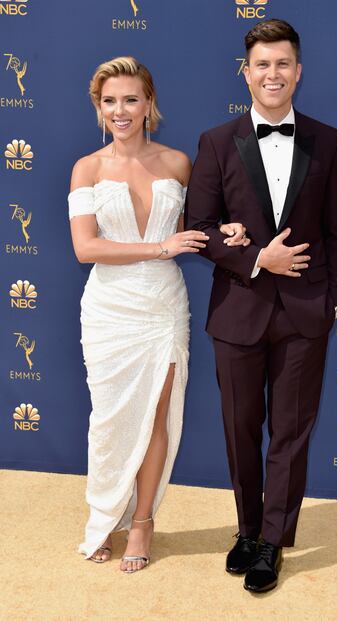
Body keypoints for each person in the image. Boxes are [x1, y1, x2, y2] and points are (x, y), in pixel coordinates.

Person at [185, 19, 337, 593]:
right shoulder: (214, 142)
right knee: (239, 427)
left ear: (297, 72)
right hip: (237, 310)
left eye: (282, 64)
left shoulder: (327, 140)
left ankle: (272, 542)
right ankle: (247, 529)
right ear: (246, 73)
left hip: (306, 314)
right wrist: (259, 258)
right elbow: (198, 229)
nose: (272, 74)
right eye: (262, 64)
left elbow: (336, 232)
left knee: (290, 433)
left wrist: (331, 302)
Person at [68, 56, 248, 573]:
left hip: (163, 309)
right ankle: (104, 517)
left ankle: (142, 522)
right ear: (99, 108)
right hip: (109, 308)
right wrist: (160, 248)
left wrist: (226, 234)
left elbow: (199, 229)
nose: (120, 111)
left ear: (150, 104)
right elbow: (86, 248)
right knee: (109, 420)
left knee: (156, 416)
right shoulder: (88, 167)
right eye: (109, 101)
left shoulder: (177, 163)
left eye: (130, 99)